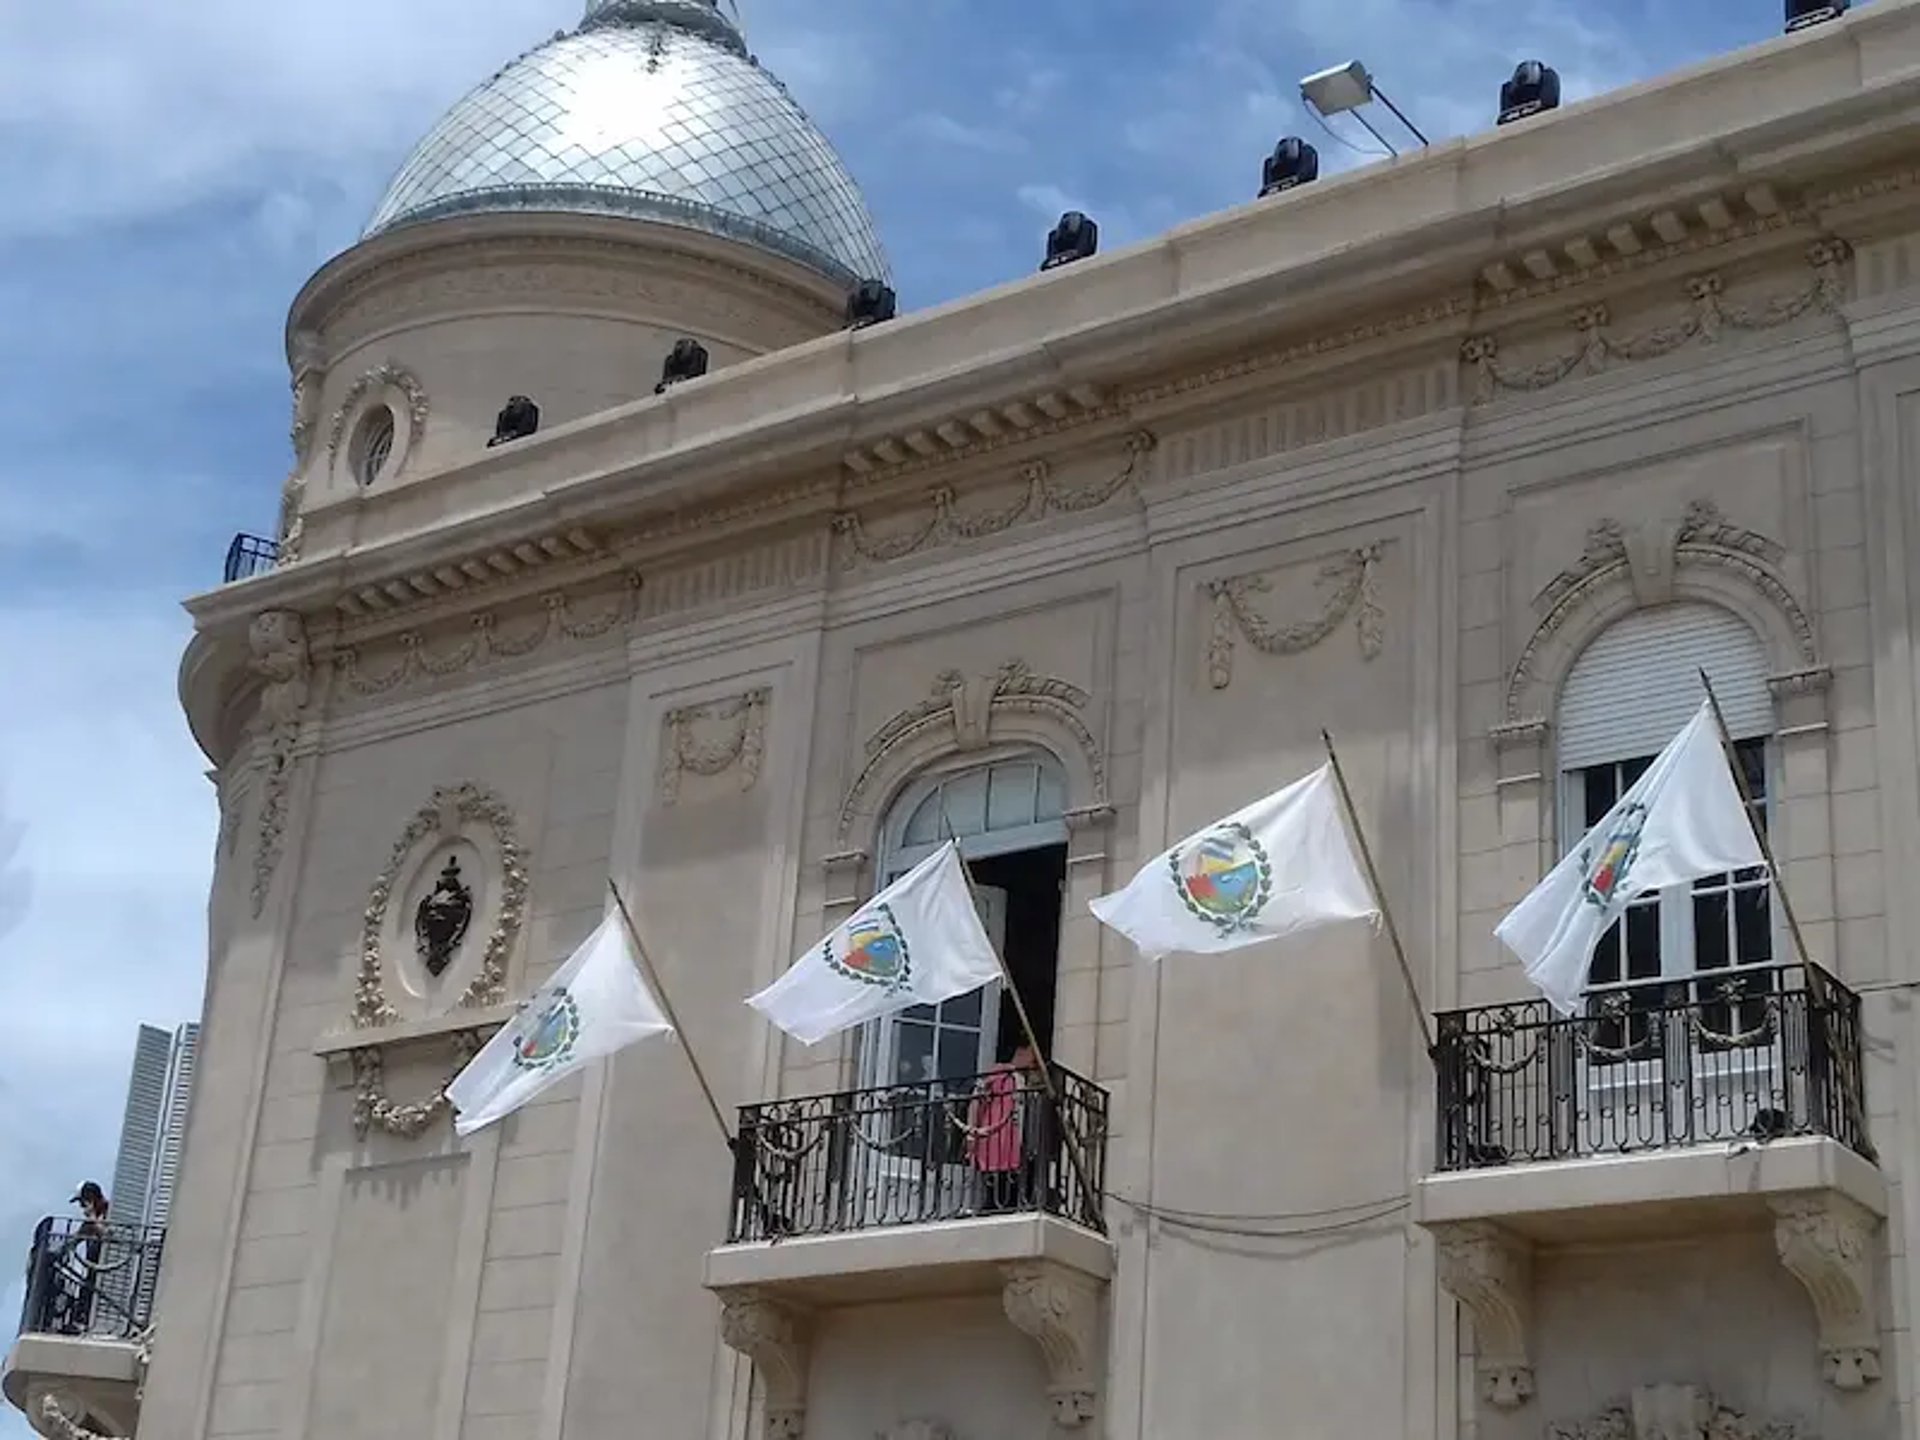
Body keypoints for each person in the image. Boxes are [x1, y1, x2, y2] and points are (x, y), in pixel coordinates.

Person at [968, 1045, 1041, 1213]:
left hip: (1013, 1143)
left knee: (1009, 1186)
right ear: (1020, 1053)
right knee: (997, 1188)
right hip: (997, 1138)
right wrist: (972, 1132)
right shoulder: (1000, 1072)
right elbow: (976, 1099)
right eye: (1032, 1058)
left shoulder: (1023, 1080)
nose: (1033, 1064)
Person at [65, 1182, 109, 1335]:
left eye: (83, 1203)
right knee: (84, 1294)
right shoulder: (90, 1222)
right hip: (93, 1268)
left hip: (107, 1270)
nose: (81, 1208)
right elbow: (75, 1239)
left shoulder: (110, 1211)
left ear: (91, 1200)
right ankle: (80, 1323)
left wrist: (92, 1218)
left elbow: (109, 1236)